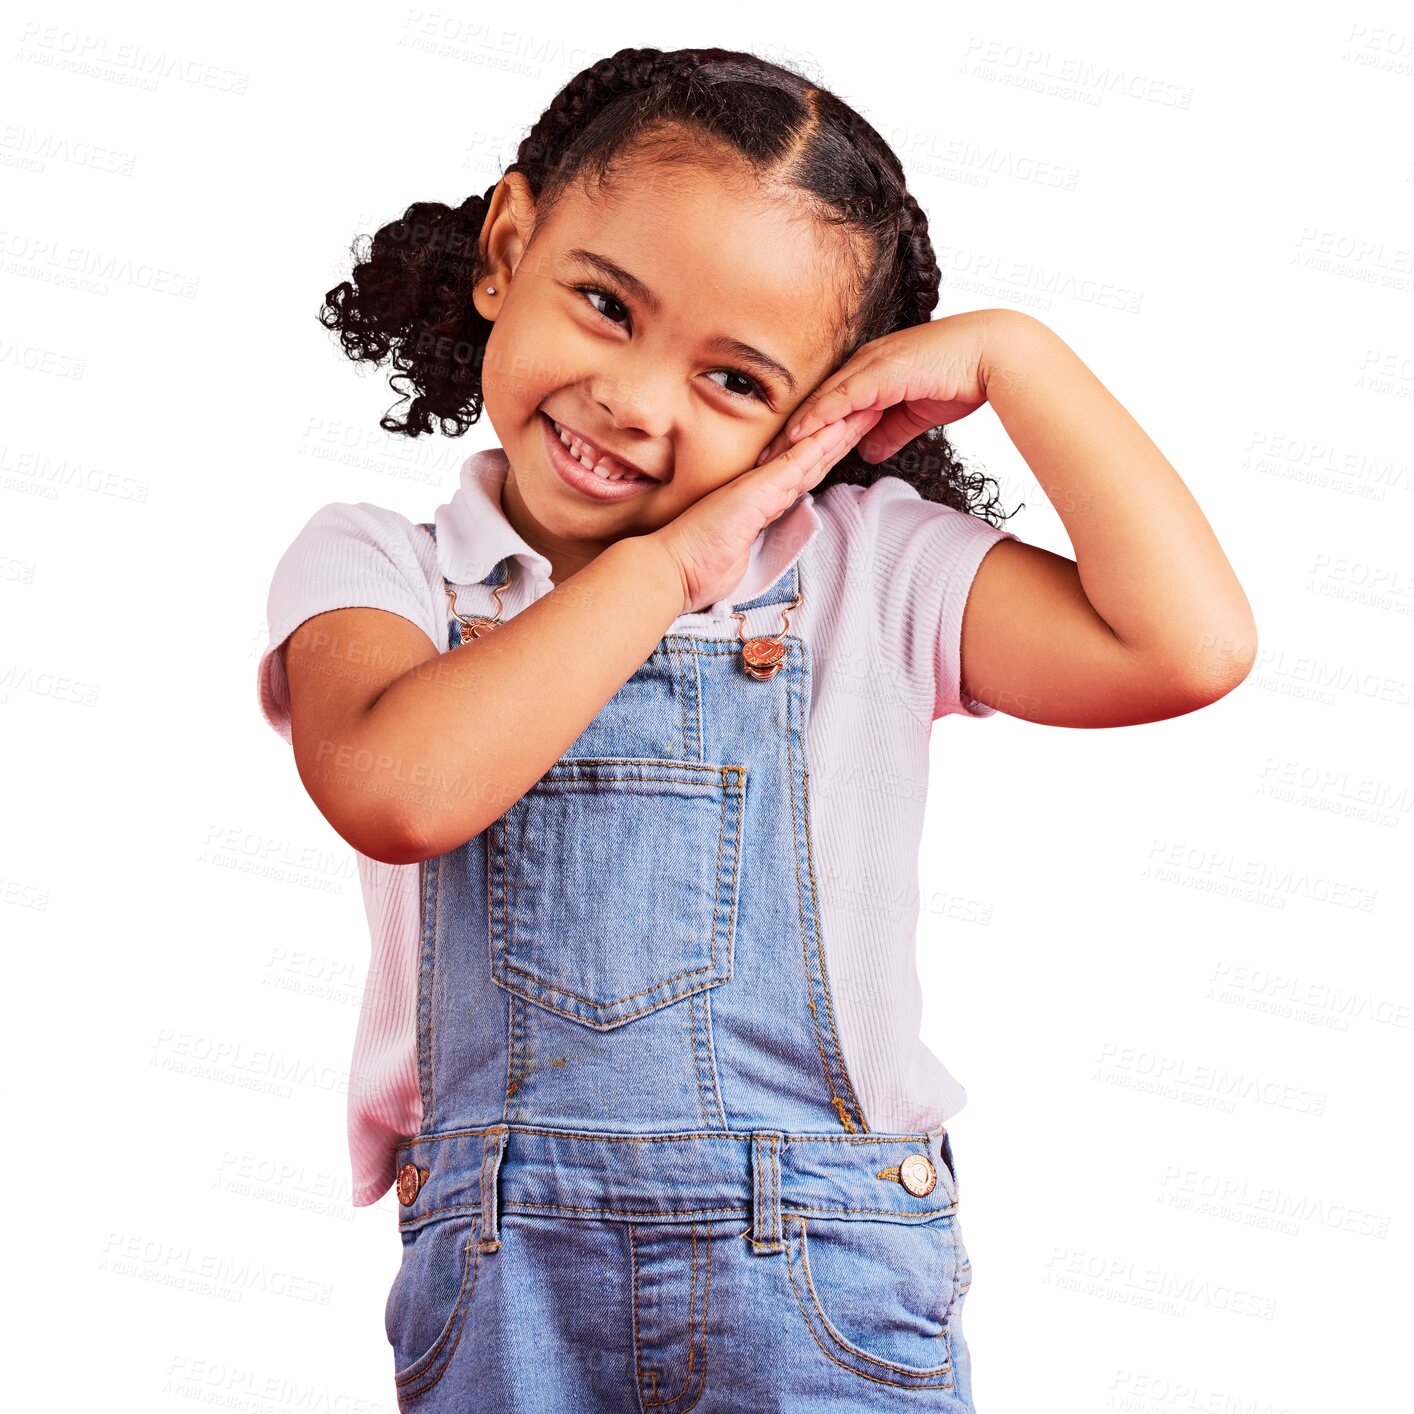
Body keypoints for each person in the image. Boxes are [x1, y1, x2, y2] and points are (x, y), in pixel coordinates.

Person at [255, 45, 1256, 1413]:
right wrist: (666, 566)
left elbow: (1184, 645)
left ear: (827, 411)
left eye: (735, 381)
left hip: (826, 1268)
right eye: (604, 303)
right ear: (506, 245)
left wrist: (1021, 360)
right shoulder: (382, 570)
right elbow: (400, 785)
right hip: (508, 1283)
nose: (635, 398)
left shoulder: (871, 569)